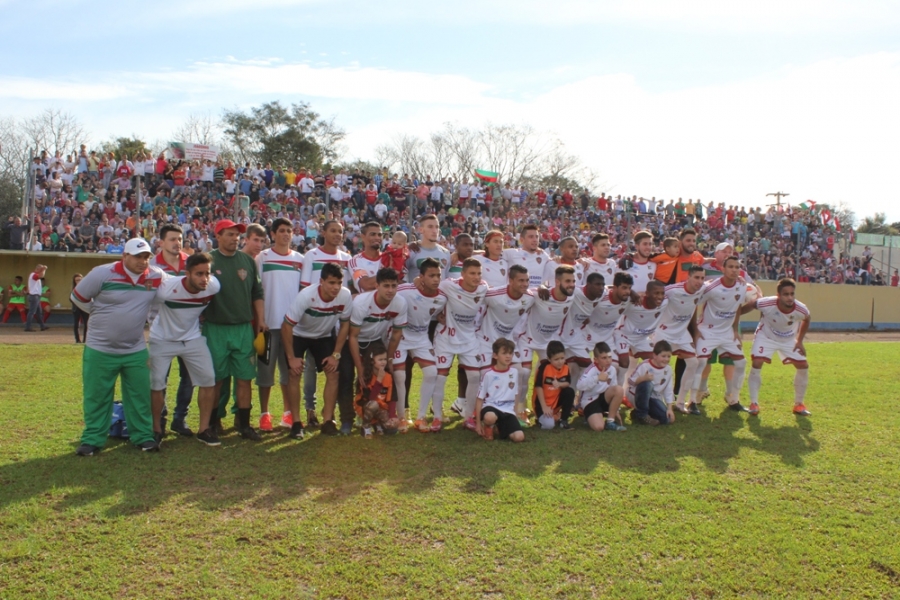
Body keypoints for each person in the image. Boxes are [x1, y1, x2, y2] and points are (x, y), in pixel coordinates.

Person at [70, 238, 163, 455]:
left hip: (135, 349)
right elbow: (77, 297)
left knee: (140, 395)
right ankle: (92, 440)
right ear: (125, 256)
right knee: (97, 396)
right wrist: (96, 311)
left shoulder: (155, 276)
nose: (143, 261)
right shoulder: (102, 273)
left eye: (146, 257)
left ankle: (143, 437)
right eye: (138, 257)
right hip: (100, 349)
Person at [149, 253, 222, 446]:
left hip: (192, 338)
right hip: (162, 339)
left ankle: (204, 430)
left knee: (209, 379)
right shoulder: (166, 289)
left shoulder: (214, 286)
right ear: (187, 274)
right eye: (199, 274)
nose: (204, 279)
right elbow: (147, 306)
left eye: (207, 273)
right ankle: (156, 430)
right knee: (156, 383)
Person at [203, 219, 267, 440]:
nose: (234, 238)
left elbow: (257, 292)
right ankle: (212, 423)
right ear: (218, 236)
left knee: (244, 377)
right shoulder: (208, 260)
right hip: (216, 328)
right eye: (229, 234)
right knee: (216, 380)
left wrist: (261, 319)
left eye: (237, 235)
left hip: (243, 327)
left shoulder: (247, 261)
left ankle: (244, 425)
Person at [282, 262, 352, 439]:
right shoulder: (306, 296)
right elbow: (286, 326)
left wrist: (336, 354)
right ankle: (296, 423)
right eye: (331, 283)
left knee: (333, 373)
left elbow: (345, 325)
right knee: (294, 374)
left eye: (339, 283)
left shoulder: (345, 295)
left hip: (323, 336)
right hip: (298, 334)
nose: (336, 287)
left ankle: (327, 421)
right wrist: (291, 358)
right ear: (321, 281)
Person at [300, 219, 351, 428]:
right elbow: (304, 287)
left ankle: (329, 413)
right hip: (314, 321)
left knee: (334, 368)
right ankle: (310, 408)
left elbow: (348, 289)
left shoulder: (346, 258)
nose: (337, 234)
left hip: (336, 323)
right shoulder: (311, 255)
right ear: (323, 233)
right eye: (333, 231)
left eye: (340, 231)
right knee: (311, 366)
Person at [255, 217, 304, 432]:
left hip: (291, 328)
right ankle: (264, 414)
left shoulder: (300, 259)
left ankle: (287, 413)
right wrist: (259, 319)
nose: (285, 234)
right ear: (273, 234)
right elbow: (256, 291)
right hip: (265, 327)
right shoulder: (262, 257)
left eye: (289, 231)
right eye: (281, 230)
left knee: (289, 373)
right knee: (264, 372)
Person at [348, 268, 407, 431]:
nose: (390, 290)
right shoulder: (361, 303)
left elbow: (396, 334)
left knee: (381, 376)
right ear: (377, 286)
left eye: (394, 286)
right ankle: (349, 418)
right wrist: (359, 367)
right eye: (386, 286)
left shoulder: (400, 303)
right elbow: (353, 336)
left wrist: (389, 359)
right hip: (354, 339)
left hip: (375, 340)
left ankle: (378, 415)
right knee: (348, 376)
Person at [744, 278, 812, 416]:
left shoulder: (801, 309)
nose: (790, 298)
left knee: (803, 365)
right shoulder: (766, 303)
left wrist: (799, 341)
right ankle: (754, 403)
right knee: (757, 362)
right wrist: (734, 316)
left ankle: (799, 404)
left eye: (792, 294)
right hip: (766, 336)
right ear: (778, 295)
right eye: (786, 294)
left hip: (788, 339)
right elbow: (751, 305)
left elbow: (807, 319)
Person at [434, 258, 488, 432]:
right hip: (446, 337)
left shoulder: (483, 288)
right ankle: (437, 416)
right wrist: (436, 314)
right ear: (462, 274)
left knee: (474, 377)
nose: (476, 277)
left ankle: (469, 417)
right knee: (440, 378)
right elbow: (430, 292)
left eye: (479, 273)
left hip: (469, 338)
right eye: (472, 273)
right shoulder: (448, 285)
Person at [691, 256, 750, 412]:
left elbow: (738, 307)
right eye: (730, 267)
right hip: (707, 330)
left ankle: (733, 398)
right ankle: (693, 400)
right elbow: (694, 304)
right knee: (701, 362)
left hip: (727, 332)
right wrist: (696, 330)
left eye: (737, 267)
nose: (734, 270)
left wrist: (735, 330)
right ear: (723, 269)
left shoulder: (742, 285)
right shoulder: (711, 287)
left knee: (741, 363)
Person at [517, 265, 576, 418]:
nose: (571, 285)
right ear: (557, 282)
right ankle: (520, 408)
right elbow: (523, 291)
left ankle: (550, 407)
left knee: (550, 374)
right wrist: (541, 286)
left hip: (548, 343)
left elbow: (603, 288)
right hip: (527, 339)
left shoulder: (573, 295)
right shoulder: (540, 294)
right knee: (524, 373)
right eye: (568, 281)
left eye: (573, 281)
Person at [396, 259, 447, 433]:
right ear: (421, 277)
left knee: (431, 372)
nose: (436, 279)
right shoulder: (405, 290)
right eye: (431, 275)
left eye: (438, 275)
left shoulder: (442, 298)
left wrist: (441, 316)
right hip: (401, 336)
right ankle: (401, 417)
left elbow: (439, 311)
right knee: (400, 375)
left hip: (421, 338)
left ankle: (421, 417)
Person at [152, 224, 194, 436]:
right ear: (161, 242)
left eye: (179, 239)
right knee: (160, 378)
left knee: (189, 377)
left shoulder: (191, 263)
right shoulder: (151, 266)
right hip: (162, 331)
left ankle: (180, 419)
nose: (177, 243)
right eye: (172, 239)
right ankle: (160, 419)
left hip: (189, 330)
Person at [656, 265, 706, 414]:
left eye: (702, 278)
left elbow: (717, 283)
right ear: (688, 277)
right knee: (659, 365)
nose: (699, 281)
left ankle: (680, 402)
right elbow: (654, 294)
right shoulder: (672, 290)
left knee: (693, 362)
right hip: (663, 332)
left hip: (681, 333)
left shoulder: (701, 289)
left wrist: (741, 279)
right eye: (696, 277)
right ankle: (656, 399)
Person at [474, 338, 525, 443]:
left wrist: (515, 413)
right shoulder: (488, 375)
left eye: (510, 353)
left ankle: (499, 426)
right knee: (490, 417)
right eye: (504, 353)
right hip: (491, 407)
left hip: (507, 410)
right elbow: (479, 399)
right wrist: (478, 423)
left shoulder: (514, 372)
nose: (508, 356)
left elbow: (515, 394)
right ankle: (488, 426)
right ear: (495, 355)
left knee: (519, 437)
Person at [576, 341, 627, 431]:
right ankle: (590, 416)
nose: (608, 360)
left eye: (610, 357)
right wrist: (597, 378)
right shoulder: (591, 370)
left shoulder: (612, 369)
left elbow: (613, 387)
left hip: (603, 397)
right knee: (599, 427)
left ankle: (610, 422)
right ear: (596, 359)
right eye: (604, 358)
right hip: (590, 400)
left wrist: (615, 410)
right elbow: (579, 386)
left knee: (619, 389)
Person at [627, 340, 676, 426]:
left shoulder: (668, 369)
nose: (666, 359)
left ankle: (636, 413)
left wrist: (669, 408)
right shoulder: (645, 365)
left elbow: (668, 390)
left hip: (654, 398)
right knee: (647, 384)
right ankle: (642, 415)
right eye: (663, 356)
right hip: (637, 395)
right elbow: (630, 381)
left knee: (666, 419)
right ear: (654, 355)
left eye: (669, 356)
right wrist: (643, 378)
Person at [354, 342, 395, 438]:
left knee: (392, 429)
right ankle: (366, 426)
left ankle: (377, 424)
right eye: (380, 359)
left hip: (381, 407)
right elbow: (370, 398)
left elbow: (391, 398)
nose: (383, 362)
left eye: (385, 359)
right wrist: (379, 380)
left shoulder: (388, 376)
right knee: (373, 404)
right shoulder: (365, 376)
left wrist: (392, 416)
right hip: (366, 407)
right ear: (372, 361)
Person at [533, 341, 575, 430]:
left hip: (555, 403)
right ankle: (540, 420)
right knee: (549, 425)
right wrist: (544, 407)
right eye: (556, 359)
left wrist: (560, 384)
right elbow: (538, 387)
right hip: (542, 404)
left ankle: (563, 420)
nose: (560, 362)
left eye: (562, 358)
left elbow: (568, 382)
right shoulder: (543, 367)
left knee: (570, 391)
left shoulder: (566, 366)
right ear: (549, 359)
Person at [503, 224, 551, 289]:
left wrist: (558, 258)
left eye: (537, 237)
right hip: (517, 294)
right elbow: (491, 254)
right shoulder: (511, 253)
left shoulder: (543, 255)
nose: (535, 240)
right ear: (522, 240)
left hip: (537, 294)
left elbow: (555, 264)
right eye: (531, 237)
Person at [349, 221, 385, 293]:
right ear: (363, 237)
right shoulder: (356, 261)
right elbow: (366, 285)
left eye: (379, 235)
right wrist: (391, 271)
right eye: (373, 234)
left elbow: (401, 282)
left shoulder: (388, 257)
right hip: (367, 300)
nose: (377, 237)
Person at [24, 264, 48, 332]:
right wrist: (44, 269)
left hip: (36, 296)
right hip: (34, 296)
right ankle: (28, 327)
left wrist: (43, 269)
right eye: (40, 270)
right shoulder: (33, 274)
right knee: (32, 312)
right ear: (37, 269)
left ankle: (42, 326)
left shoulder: (35, 275)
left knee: (39, 312)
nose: (41, 271)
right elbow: (41, 276)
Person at [71, 273, 89, 343]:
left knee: (87, 324)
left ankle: (85, 340)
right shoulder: (74, 289)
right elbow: (71, 299)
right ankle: (77, 340)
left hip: (85, 307)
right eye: (77, 280)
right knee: (76, 324)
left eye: (80, 280)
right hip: (76, 308)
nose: (79, 281)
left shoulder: (86, 288)